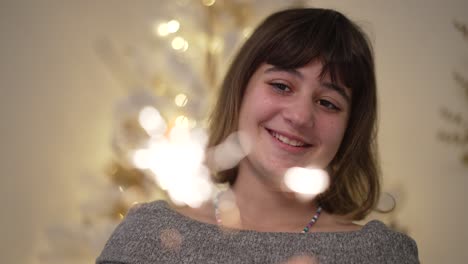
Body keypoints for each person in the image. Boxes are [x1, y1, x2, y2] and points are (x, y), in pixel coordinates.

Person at [97, 8, 419, 264]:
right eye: (281, 85)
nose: (300, 116)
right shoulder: (146, 236)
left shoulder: (381, 254)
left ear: (349, 130)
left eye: (327, 103)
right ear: (241, 92)